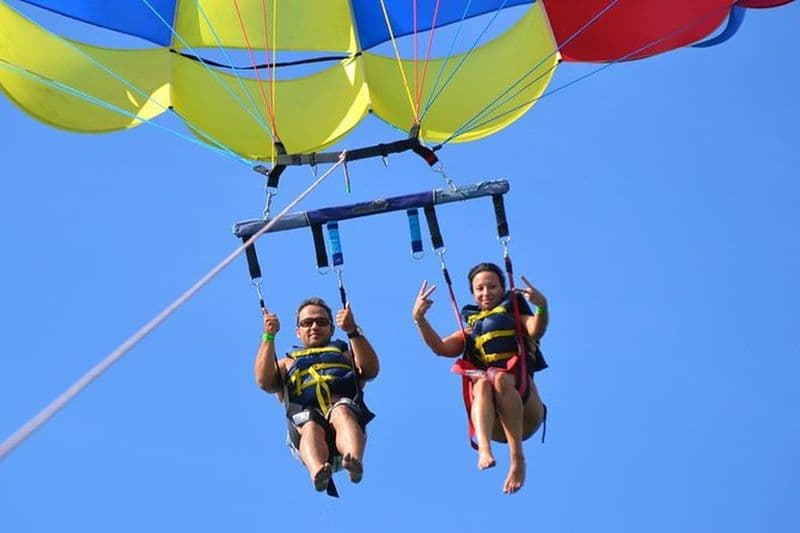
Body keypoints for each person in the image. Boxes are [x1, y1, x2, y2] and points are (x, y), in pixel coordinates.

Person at [412, 262, 548, 494]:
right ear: (473, 294)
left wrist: (542, 307)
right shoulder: (471, 328)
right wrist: (420, 320)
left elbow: (535, 329)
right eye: (480, 289)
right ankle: (484, 449)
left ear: (503, 289)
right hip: (493, 424)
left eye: (492, 287)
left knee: (500, 379)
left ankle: (517, 459)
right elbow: (441, 348)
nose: (486, 293)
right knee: (483, 382)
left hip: (527, 413)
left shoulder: (515, 316)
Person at [254, 297, 379, 493]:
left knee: (341, 411)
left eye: (321, 322)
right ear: (298, 331)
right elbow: (264, 382)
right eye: (306, 323)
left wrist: (352, 330)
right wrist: (268, 336)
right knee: (310, 424)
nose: (314, 326)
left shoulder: (347, 355)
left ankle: (353, 462)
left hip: (345, 421)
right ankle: (318, 473)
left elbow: (371, 370)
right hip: (306, 430)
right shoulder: (287, 363)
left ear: (331, 328)